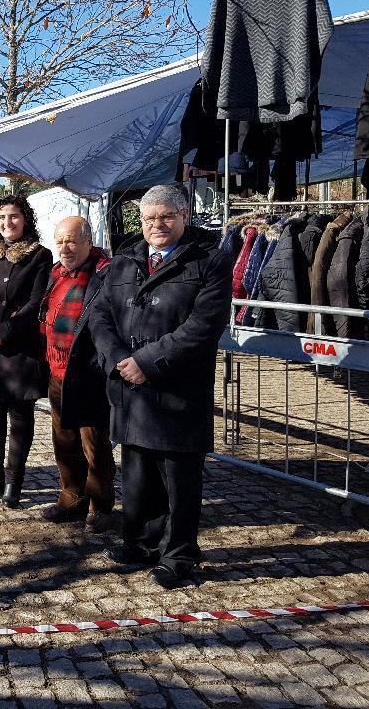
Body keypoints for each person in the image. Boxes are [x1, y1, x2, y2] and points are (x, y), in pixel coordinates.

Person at [90, 184, 232, 589]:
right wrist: (119, 359)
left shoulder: (209, 260)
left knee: (179, 481)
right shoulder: (124, 261)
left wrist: (147, 362)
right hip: (130, 390)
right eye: (150, 218)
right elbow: (99, 315)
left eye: (167, 216)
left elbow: (202, 326)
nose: (158, 225)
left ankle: (179, 555)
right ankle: (140, 543)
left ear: (184, 216)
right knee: (138, 476)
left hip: (177, 390)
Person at [0, 195, 52, 508]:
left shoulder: (39, 255)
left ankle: (13, 481)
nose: (7, 223)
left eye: (14, 216)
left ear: (25, 218)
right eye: (2, 217)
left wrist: (2, 332)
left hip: (19, 349)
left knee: (20, 418)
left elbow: (36, 303)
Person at [38, 216, 115, 531]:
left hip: (88, 372)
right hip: (57, 371)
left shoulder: (105, 273)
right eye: (59, 241)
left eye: (71, 241)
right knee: (64, 440)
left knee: (94, 444)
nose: (64, 248)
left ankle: (100, 506)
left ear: (88, 241)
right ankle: (71, 498)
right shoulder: (57, 273)